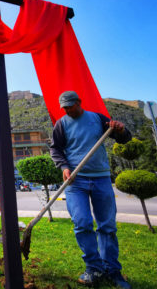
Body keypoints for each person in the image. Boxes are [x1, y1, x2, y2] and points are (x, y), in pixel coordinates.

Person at [50, 91, 132, 288]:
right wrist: (64, 166)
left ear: (79, 102)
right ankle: (93, 268)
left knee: (107, 225)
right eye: (65, 107)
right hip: (75, 181)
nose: (68, 110)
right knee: (82, 222)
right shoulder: (61, 124)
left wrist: (120, 130)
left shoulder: (97, 118)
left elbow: (124, 138)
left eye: (71, 105)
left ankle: (112, 270)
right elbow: (55, 149)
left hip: (101, 177)